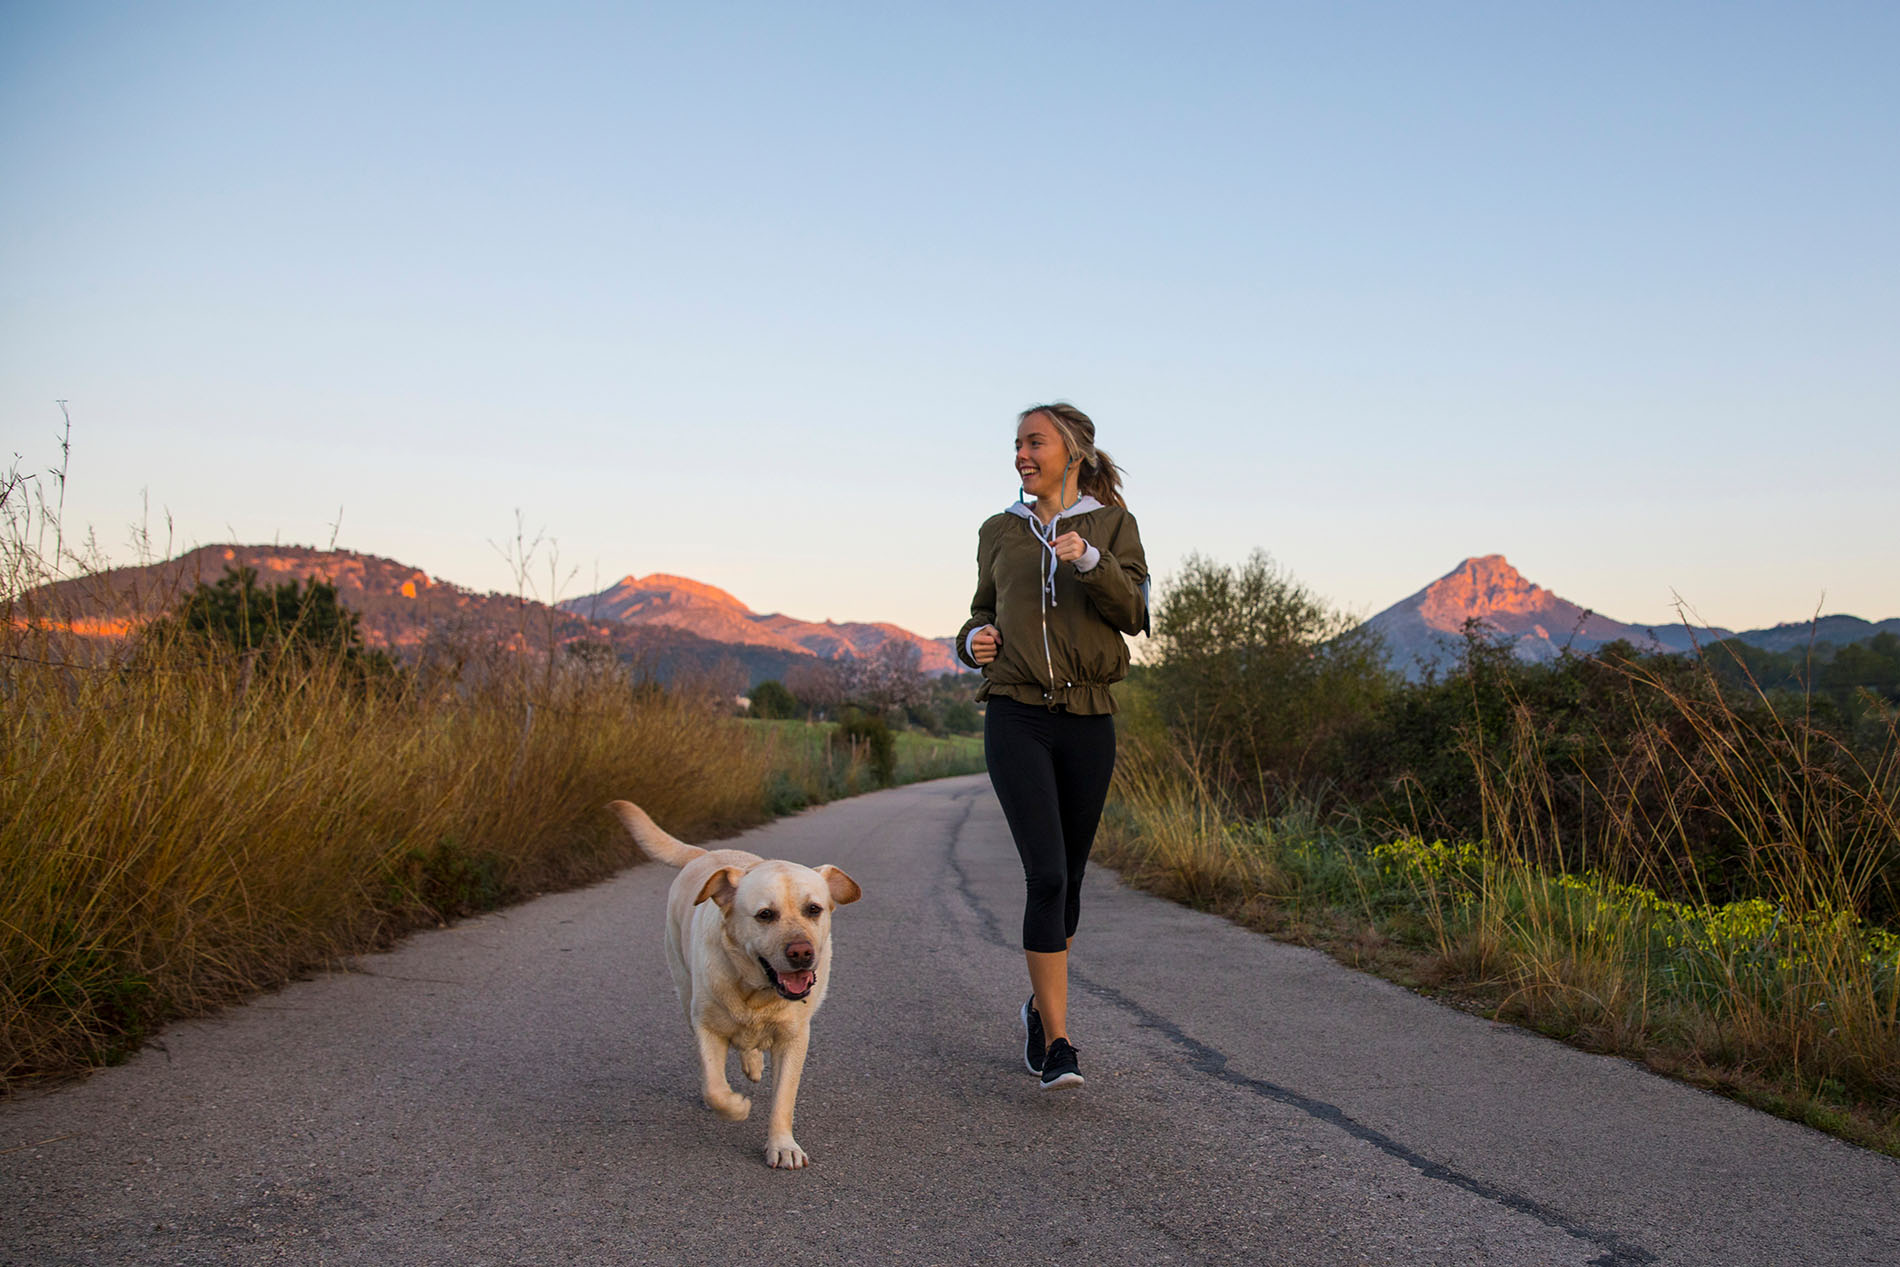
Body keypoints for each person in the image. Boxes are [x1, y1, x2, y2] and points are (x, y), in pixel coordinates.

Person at [955, 402, 1148, 1090]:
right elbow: (982, 608)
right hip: (1017, 715)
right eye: (1017, 444)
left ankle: (1041, 1007)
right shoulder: (998, 531)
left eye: (1034, 442)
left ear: (1073, 451)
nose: (1021, 455)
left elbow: (1137, 613)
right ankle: (1060, 1042)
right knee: (1047, 874)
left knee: (1070, 877)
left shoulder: (1114, 525)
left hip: (1089, 718)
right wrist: (972, 641)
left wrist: (1091, 560)